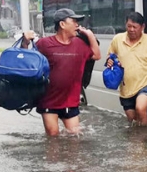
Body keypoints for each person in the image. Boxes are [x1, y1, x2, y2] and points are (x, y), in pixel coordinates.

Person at [20, 8, 101, 136]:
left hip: (71, 101)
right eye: (73, 21)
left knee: (75, 136)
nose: (77, 25)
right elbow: (28, 62)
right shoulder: (44, 44)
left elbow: (96, 55)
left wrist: (90, 35)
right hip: (49, 100)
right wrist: (25, 42)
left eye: (77, 22)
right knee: (53, 137)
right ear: (62, 24)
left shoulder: (80, 44)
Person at [107, 11, 147, 126]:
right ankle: (139, 142)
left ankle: (145, 141)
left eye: (135, 27)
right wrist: (110, 61)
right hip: (126, 89)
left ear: (142, 27)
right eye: (129, 26)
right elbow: (110, 56)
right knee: (133, 121)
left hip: (146, 83)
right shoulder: (117, 39)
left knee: (140, 108)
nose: (131, 29)